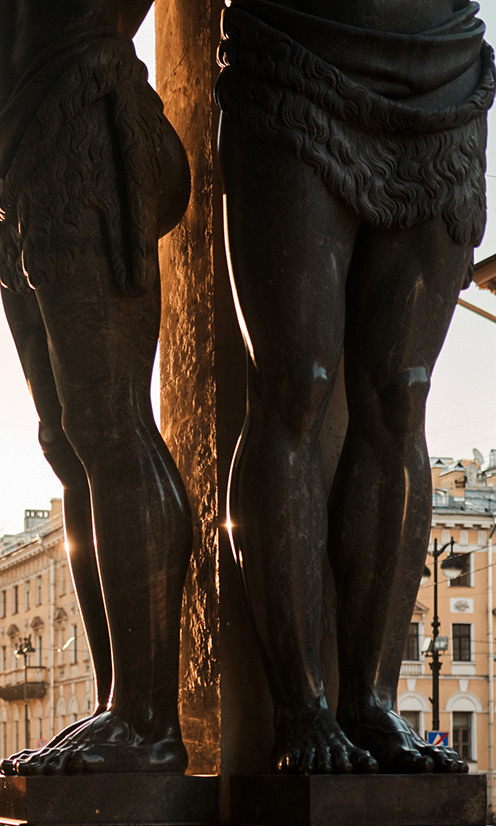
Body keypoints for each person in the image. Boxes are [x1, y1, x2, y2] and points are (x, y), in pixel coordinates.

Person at [216, 0, 494, 772]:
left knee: (401, 397)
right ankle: (299, 704)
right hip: (295, 55)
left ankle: (368, 699)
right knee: (297, 383)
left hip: (445, 78)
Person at [0, 0, 193, 774]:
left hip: (88, 116)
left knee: (109, 425)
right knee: (68, 444)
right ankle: (116, 704)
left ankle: (147, 719)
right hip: (23, 153)